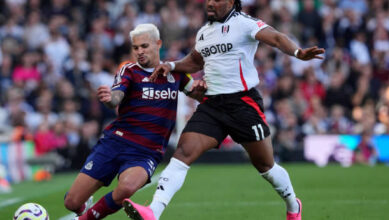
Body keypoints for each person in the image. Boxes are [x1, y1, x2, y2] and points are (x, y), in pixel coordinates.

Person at [123, 1, 325, 220]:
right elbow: (194, 61)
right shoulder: (204, 33)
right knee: (182, 153)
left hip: (243, 103)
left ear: (231, 2)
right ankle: (153, 211)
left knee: (265, 166)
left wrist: (297, 52)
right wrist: (171, 65)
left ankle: (293, 205)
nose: (210, 3)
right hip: (212, 105)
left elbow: (275, 37)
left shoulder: (245, 23)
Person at [63, 23, 205, 220]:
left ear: (158, 44)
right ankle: (81, 207)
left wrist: (203, 89)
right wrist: (109, 99)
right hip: (115, 143)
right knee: (71, 202)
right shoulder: (129, 71)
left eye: (144, 46)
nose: (139, 52)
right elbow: (116, 98)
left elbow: (198, 95)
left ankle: (86, 218)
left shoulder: (175, 72)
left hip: (146, 151)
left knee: (127, 188)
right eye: (136, 47)